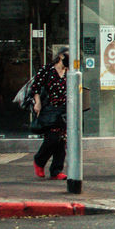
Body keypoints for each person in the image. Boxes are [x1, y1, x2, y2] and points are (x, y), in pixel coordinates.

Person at [30, 50, 69, 180]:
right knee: (52, 137)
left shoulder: (70, 72)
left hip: (64, 110)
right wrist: (38, 103)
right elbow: (35, 87)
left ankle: (56, 170)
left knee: (62, 140)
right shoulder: (47, 70)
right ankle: (39, 160)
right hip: (50, 109)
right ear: (61, 56)